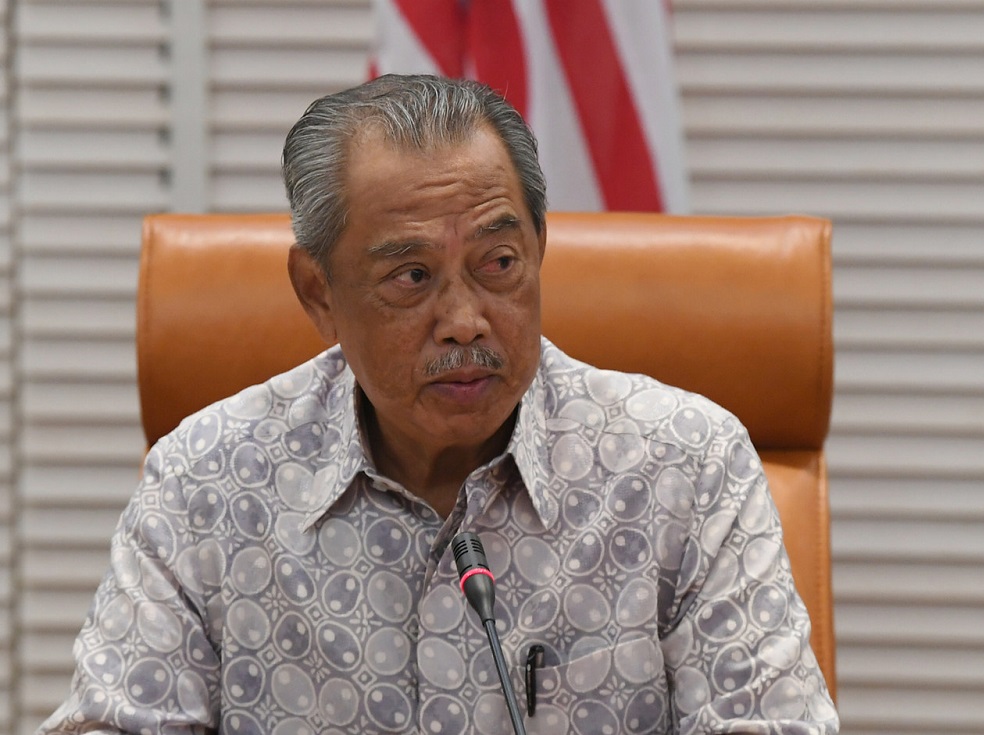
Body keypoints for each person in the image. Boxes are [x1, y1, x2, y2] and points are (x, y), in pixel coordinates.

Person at [39, 74, 839, 734]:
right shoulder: (205, 481)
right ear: (318, 292)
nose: (465, 319)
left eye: (499, 262)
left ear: (539, 252)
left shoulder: (684, 466)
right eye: (411, 277)